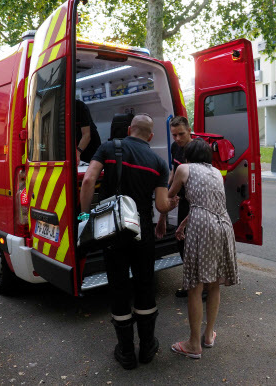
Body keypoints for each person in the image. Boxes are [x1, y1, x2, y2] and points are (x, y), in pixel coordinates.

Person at [80, 114, 176, 370]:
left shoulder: (109, 147)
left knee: (119, 286)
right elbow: (160, 204)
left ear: (130, 129)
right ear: (151, 136)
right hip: (142, 230)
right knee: (145, 284)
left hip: (113, 230)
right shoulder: (158, 162)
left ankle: (125, 352)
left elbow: (89, 179)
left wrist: (84, 215)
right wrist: (171, 204)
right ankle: (147, 348)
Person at [168, 138, 240, 359]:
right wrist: (183, 224)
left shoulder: (183, 168)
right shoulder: (216, 172)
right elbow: (208, 205)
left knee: (195, 286)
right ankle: (208, 336)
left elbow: (170, 195)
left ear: (188, 155)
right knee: (214, 282)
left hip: (202, 227)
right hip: (223, 226)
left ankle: (193, 344)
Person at [155, 116, 193, 298]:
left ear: (189, 130)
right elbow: (173, 173)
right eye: (174, 135)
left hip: (196, 202)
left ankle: (202, 287)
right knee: (182, 244)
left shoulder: (197, 149)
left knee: (194, 245)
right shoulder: (175, 147)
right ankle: (190, 283)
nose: (177, 139)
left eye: (181, 134)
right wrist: (167, 192)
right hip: (183, 200)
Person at [75, 99, 101, 164]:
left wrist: (77, 153)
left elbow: (86, 135)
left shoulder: (79, 106)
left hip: (90, 147)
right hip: (78, 148)